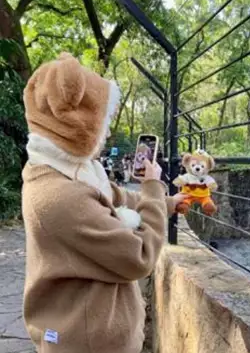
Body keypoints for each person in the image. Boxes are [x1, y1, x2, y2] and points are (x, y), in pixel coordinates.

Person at [20, 52, 185, 353]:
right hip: (89, 343)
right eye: (104, 118)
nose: (106, 131)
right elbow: (139, 257)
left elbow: (116, 198)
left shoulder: (66, 170)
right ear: (79, 122)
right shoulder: (62, 197)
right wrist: (152, 186)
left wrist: (167, 202)